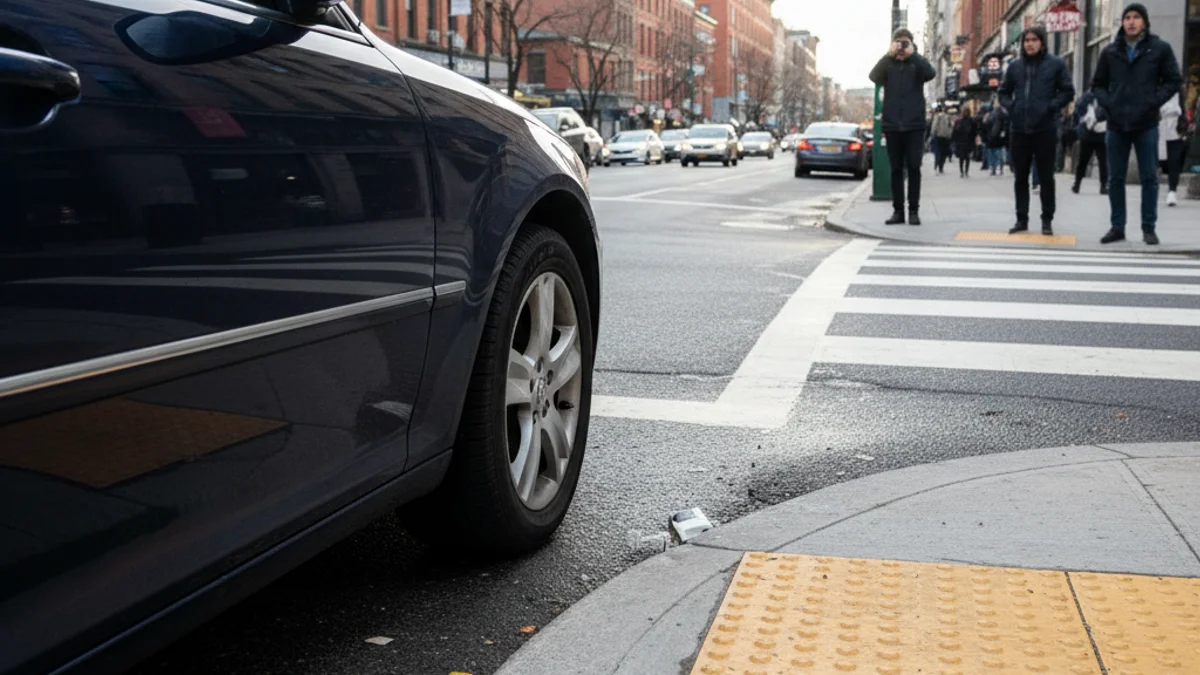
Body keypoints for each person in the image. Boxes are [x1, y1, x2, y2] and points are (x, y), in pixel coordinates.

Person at [1092, 3, 1183, 245]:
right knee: (1115, 178)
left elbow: (1174, 80)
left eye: (1136, 17)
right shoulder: (1110, 52)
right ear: (1122, 23)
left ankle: (1148, 227)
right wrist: (1109, 103)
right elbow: (1097, 85)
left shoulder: (1159, 49)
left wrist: (1153, 101)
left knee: (1149, 177)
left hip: (1146, 123)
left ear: (1144, 21)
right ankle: (1117, 226)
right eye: (1127, 17)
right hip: (1116, 123)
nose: (1131, 21)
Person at [998, 25, 1076, 236]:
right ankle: (1021, 219)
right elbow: (1003, 92)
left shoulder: (1056, 64)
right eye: (1026, 40)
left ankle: (1046, 220)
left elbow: (1068, 91)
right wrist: (1012, 107)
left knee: (1045, 177)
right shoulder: (1014, 67)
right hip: (1019, 129)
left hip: (1045, 129)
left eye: (1033, 40)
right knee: (1020, 177)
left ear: (1042, 42)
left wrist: (1051, 107)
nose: (1029, 44)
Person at [870, 28, 936, 225]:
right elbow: (874, 77)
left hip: (914, 125)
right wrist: (887, 55)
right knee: (896, 170)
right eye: (898, 42)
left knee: (914, 168)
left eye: (905, 42)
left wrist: (913, 55)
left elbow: (930, 73)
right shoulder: (888, 64)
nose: (901, 46)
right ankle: (898, 211)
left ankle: (913, 211)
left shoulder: (917, 64)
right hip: (892, 125)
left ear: (912, 44)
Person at [1072, 90, 1109, 194]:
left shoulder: (1086, 97)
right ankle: (1103, 186)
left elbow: (1077, 112)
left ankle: (1077, 184)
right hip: (1098, 134)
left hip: (1090, 134)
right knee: (1102, 162)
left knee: (1084, 161)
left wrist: (1080, 123)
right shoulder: (1105, 95)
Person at [1158, 92, 1186, 206]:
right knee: (1155, 157)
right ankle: (1153, 187)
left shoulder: (1177, 87)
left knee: (1174, 159)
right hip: (1157, 123)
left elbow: (1184, 105)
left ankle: (1172, 190)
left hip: (1174, 123)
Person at [983, 105, 1009, 176]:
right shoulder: (1004, 115)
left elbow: (986, 126)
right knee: (1000, 154)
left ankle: (993, 169)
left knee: (992, 154)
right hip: (1000, 138)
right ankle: (1000, 169)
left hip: (991, 138)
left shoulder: (990, 115)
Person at [952, 107, 977, 178]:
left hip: (966, 142)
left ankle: (965, 171)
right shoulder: (961, 121)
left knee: (966, 157)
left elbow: (974, 131)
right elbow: (955, 132)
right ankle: (962, 171)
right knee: (962, 158)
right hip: (962, 142)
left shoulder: (970, 121)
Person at [931, 105, 955, 174]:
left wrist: (933, 133)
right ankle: (941, 167)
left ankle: (937, 165)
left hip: (938, 136)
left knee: (938, 152)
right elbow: (951, 127)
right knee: (944, 153)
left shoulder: (937, 116)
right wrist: (949, 135)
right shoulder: (948, 117)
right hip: (946, 137)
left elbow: (934, 126)